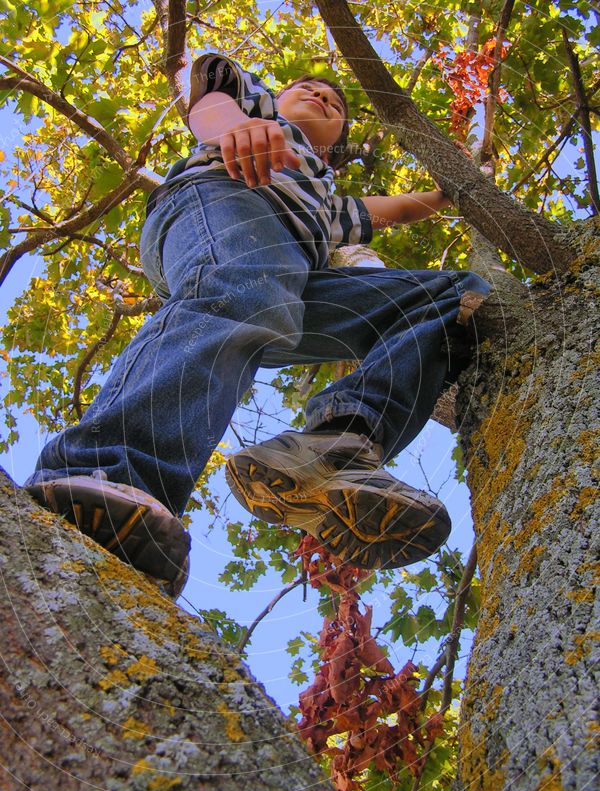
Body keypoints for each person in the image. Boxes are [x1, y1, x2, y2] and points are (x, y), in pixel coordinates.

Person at [25, 53, 491, 598]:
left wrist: (459, 184)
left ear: (336, 137)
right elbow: (209, 96)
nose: (322, 97)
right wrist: (238, 126)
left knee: (447, 296)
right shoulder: (258, 110)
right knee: (236, 296)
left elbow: (404, 208)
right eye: (309, 88)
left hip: (286, 283)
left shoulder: (326, 197)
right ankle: (107, 472)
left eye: (335, 103)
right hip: (220, 204)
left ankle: (338, 446)